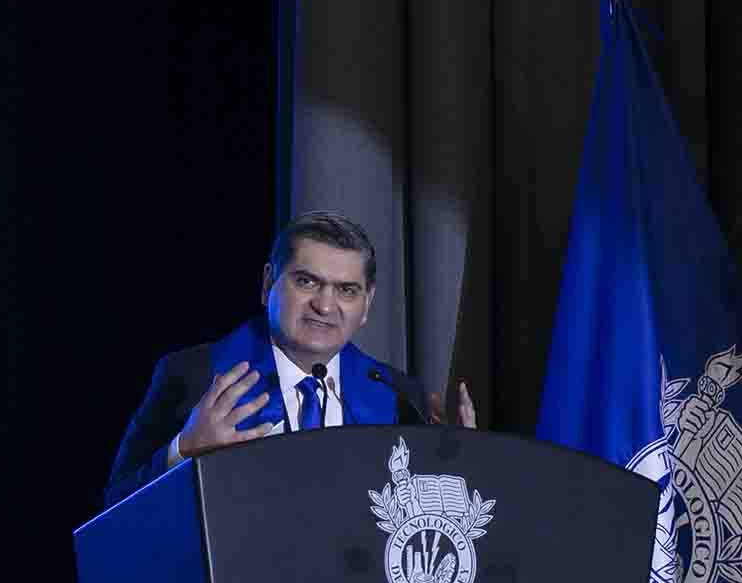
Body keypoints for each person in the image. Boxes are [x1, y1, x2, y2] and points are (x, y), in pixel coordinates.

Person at [103, 211, 475, 507]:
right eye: (307, 282)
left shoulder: (397, 394)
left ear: (366, 305)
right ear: (268, 284)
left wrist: (453, 464)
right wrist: (183, 451)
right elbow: (114, 507)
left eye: (347, 290)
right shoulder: (194, 375)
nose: (325, 305)